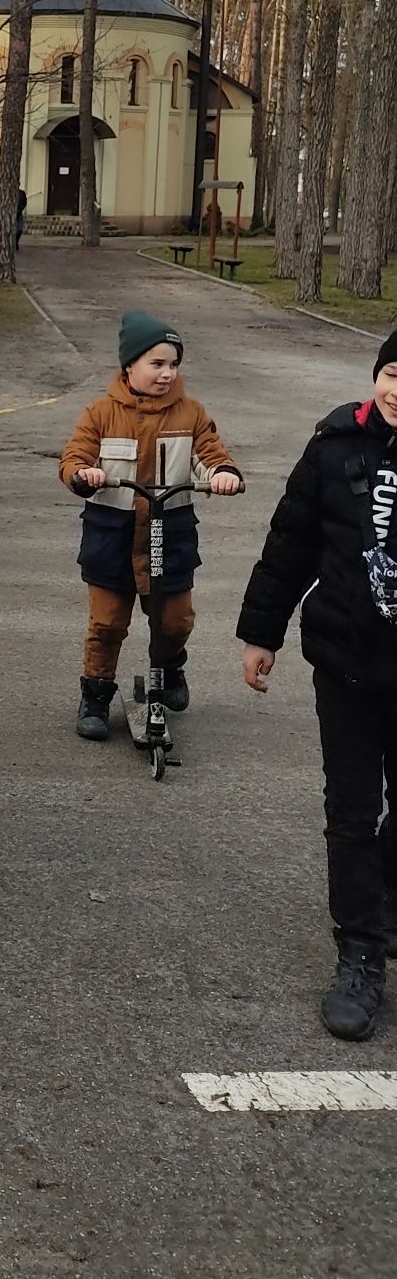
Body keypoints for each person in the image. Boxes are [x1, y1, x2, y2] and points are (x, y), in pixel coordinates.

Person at [237, 333, 397, 1041]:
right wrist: (260, 634)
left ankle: (383, 899)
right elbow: (291, 542)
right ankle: (360, 953)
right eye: (392, 374)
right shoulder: (333, 448)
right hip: (348, 661)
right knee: (352, 812)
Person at [59, 310, 242, 740]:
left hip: (170, 532)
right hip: (112, 535)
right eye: (156, 364)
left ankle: (170, 667)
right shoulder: (100, 412)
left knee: (174, 620)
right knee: (107, 623)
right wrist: (82, 475)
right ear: (129, 365)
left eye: (173, 365)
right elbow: (74, 458)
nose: (166, 374)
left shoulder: (190, 413)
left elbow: (211, 451)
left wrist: (223, 473)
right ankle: (97, 694)